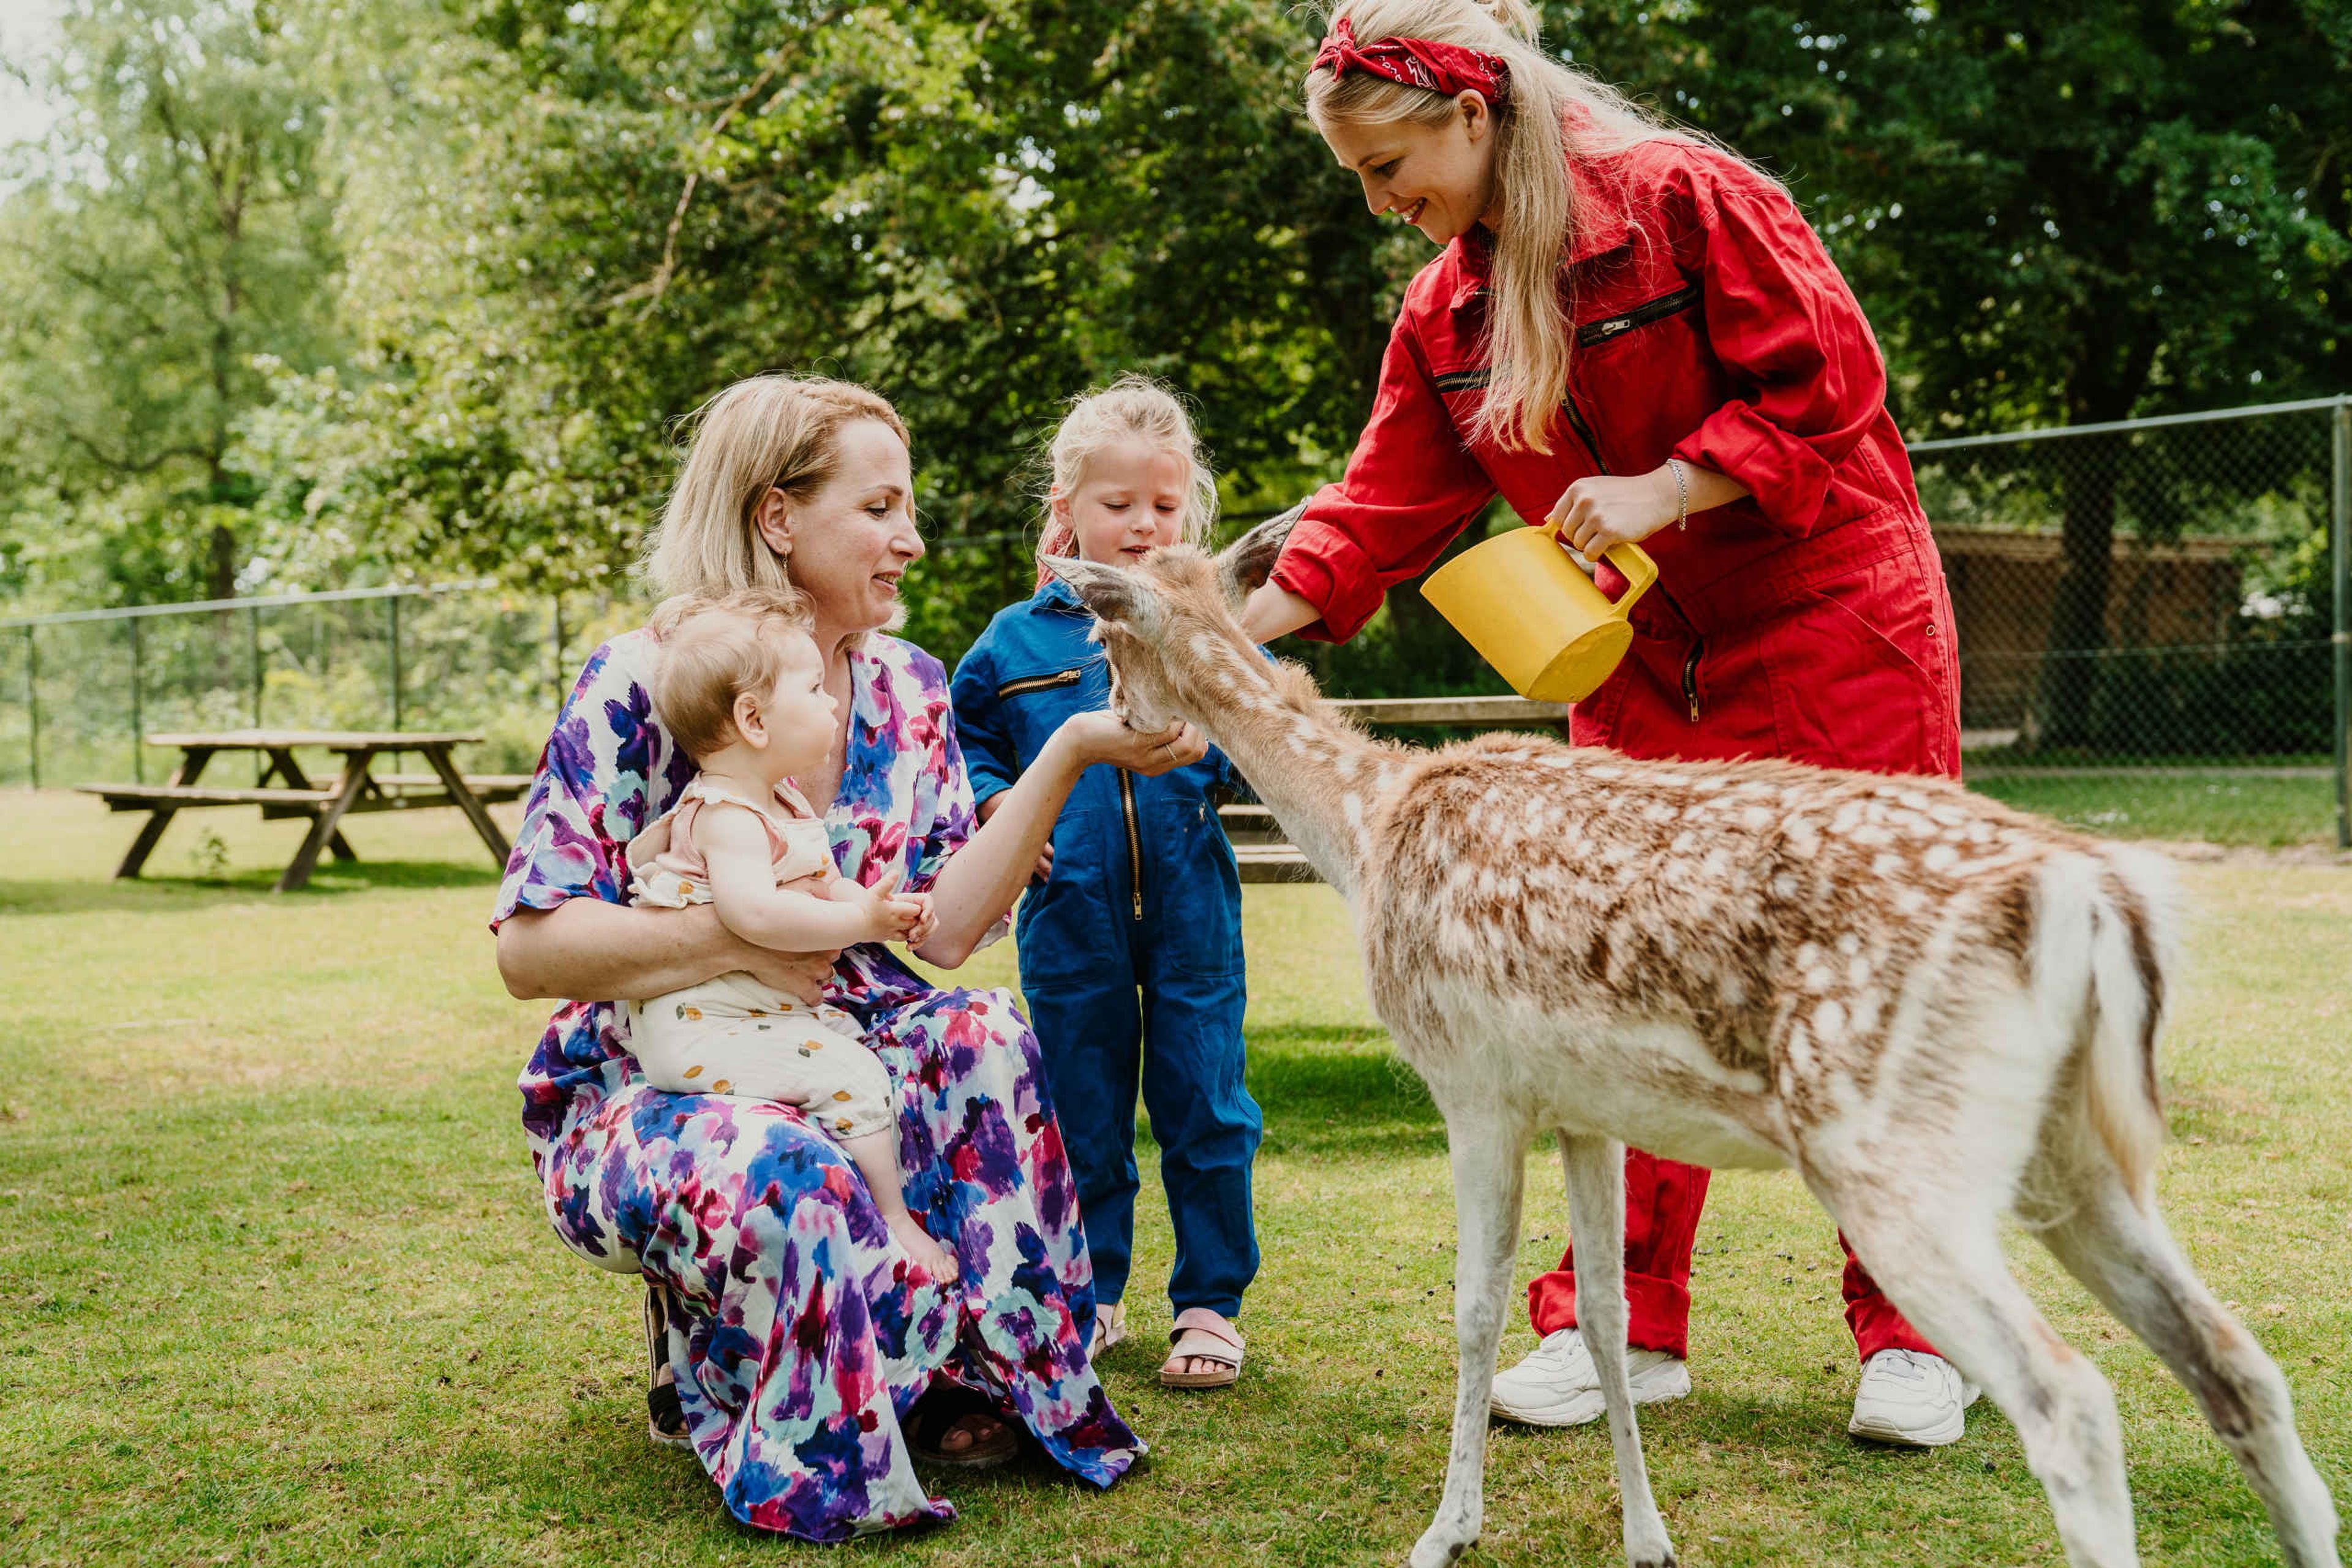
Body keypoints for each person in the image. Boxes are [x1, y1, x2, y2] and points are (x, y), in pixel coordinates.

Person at [1234, 0, 1975, 1446]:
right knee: (1620, 983)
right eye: (1362, 183)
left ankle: (1917, 1329)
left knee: (1870, 976)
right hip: (1634, 656)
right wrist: (1215, 642)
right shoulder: (1445, 309)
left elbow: (1830, 393)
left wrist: (1672, 482)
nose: (1387, 207)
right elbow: (1379, 504)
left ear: (1475, 114)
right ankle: (1622, 1328)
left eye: (1392, 168)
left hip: (1830, 618)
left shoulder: (1687, 201)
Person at [492, 373, 1208, 1541]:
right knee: (784, 1159)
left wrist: (1075, 748)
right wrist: (750, 935)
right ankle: (794, 1414)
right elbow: (532, 950)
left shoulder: (911, 686)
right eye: (880, 510)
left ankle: (970, 1378)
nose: (912, 541)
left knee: (982, 1033)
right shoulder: (644, 679)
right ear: (780, 517)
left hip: (854, 1029)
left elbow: (945, 927)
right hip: (661, 1067)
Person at [951, 376, 1262, 1391]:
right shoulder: (1014, 641)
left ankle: (1211, 1302)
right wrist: (1000, 807)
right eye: (1117, 504)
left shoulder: (1205, 622)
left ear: (1189, 509)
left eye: (1163, 507)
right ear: (1067, 504)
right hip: (1065, 910)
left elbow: (1253, 740)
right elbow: (968, 742)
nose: (1141, 525)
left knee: (1207, 1102)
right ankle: (1092, 1295)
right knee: (1081, 1107)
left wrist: (1210, 741)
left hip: (1191, 905)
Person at [622, 587, 954, 1283]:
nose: (833, 701)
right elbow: (758, 917)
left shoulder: (777, 802)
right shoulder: (727, 816)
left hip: (741, 1015)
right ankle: (894, 1223)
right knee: (853, 1076)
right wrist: (860, 922)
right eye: (812, 689)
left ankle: (861, 1218)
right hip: (700, 1028)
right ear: (753, 719)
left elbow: (817, 881)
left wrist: (875, 906)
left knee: (858, 1051)